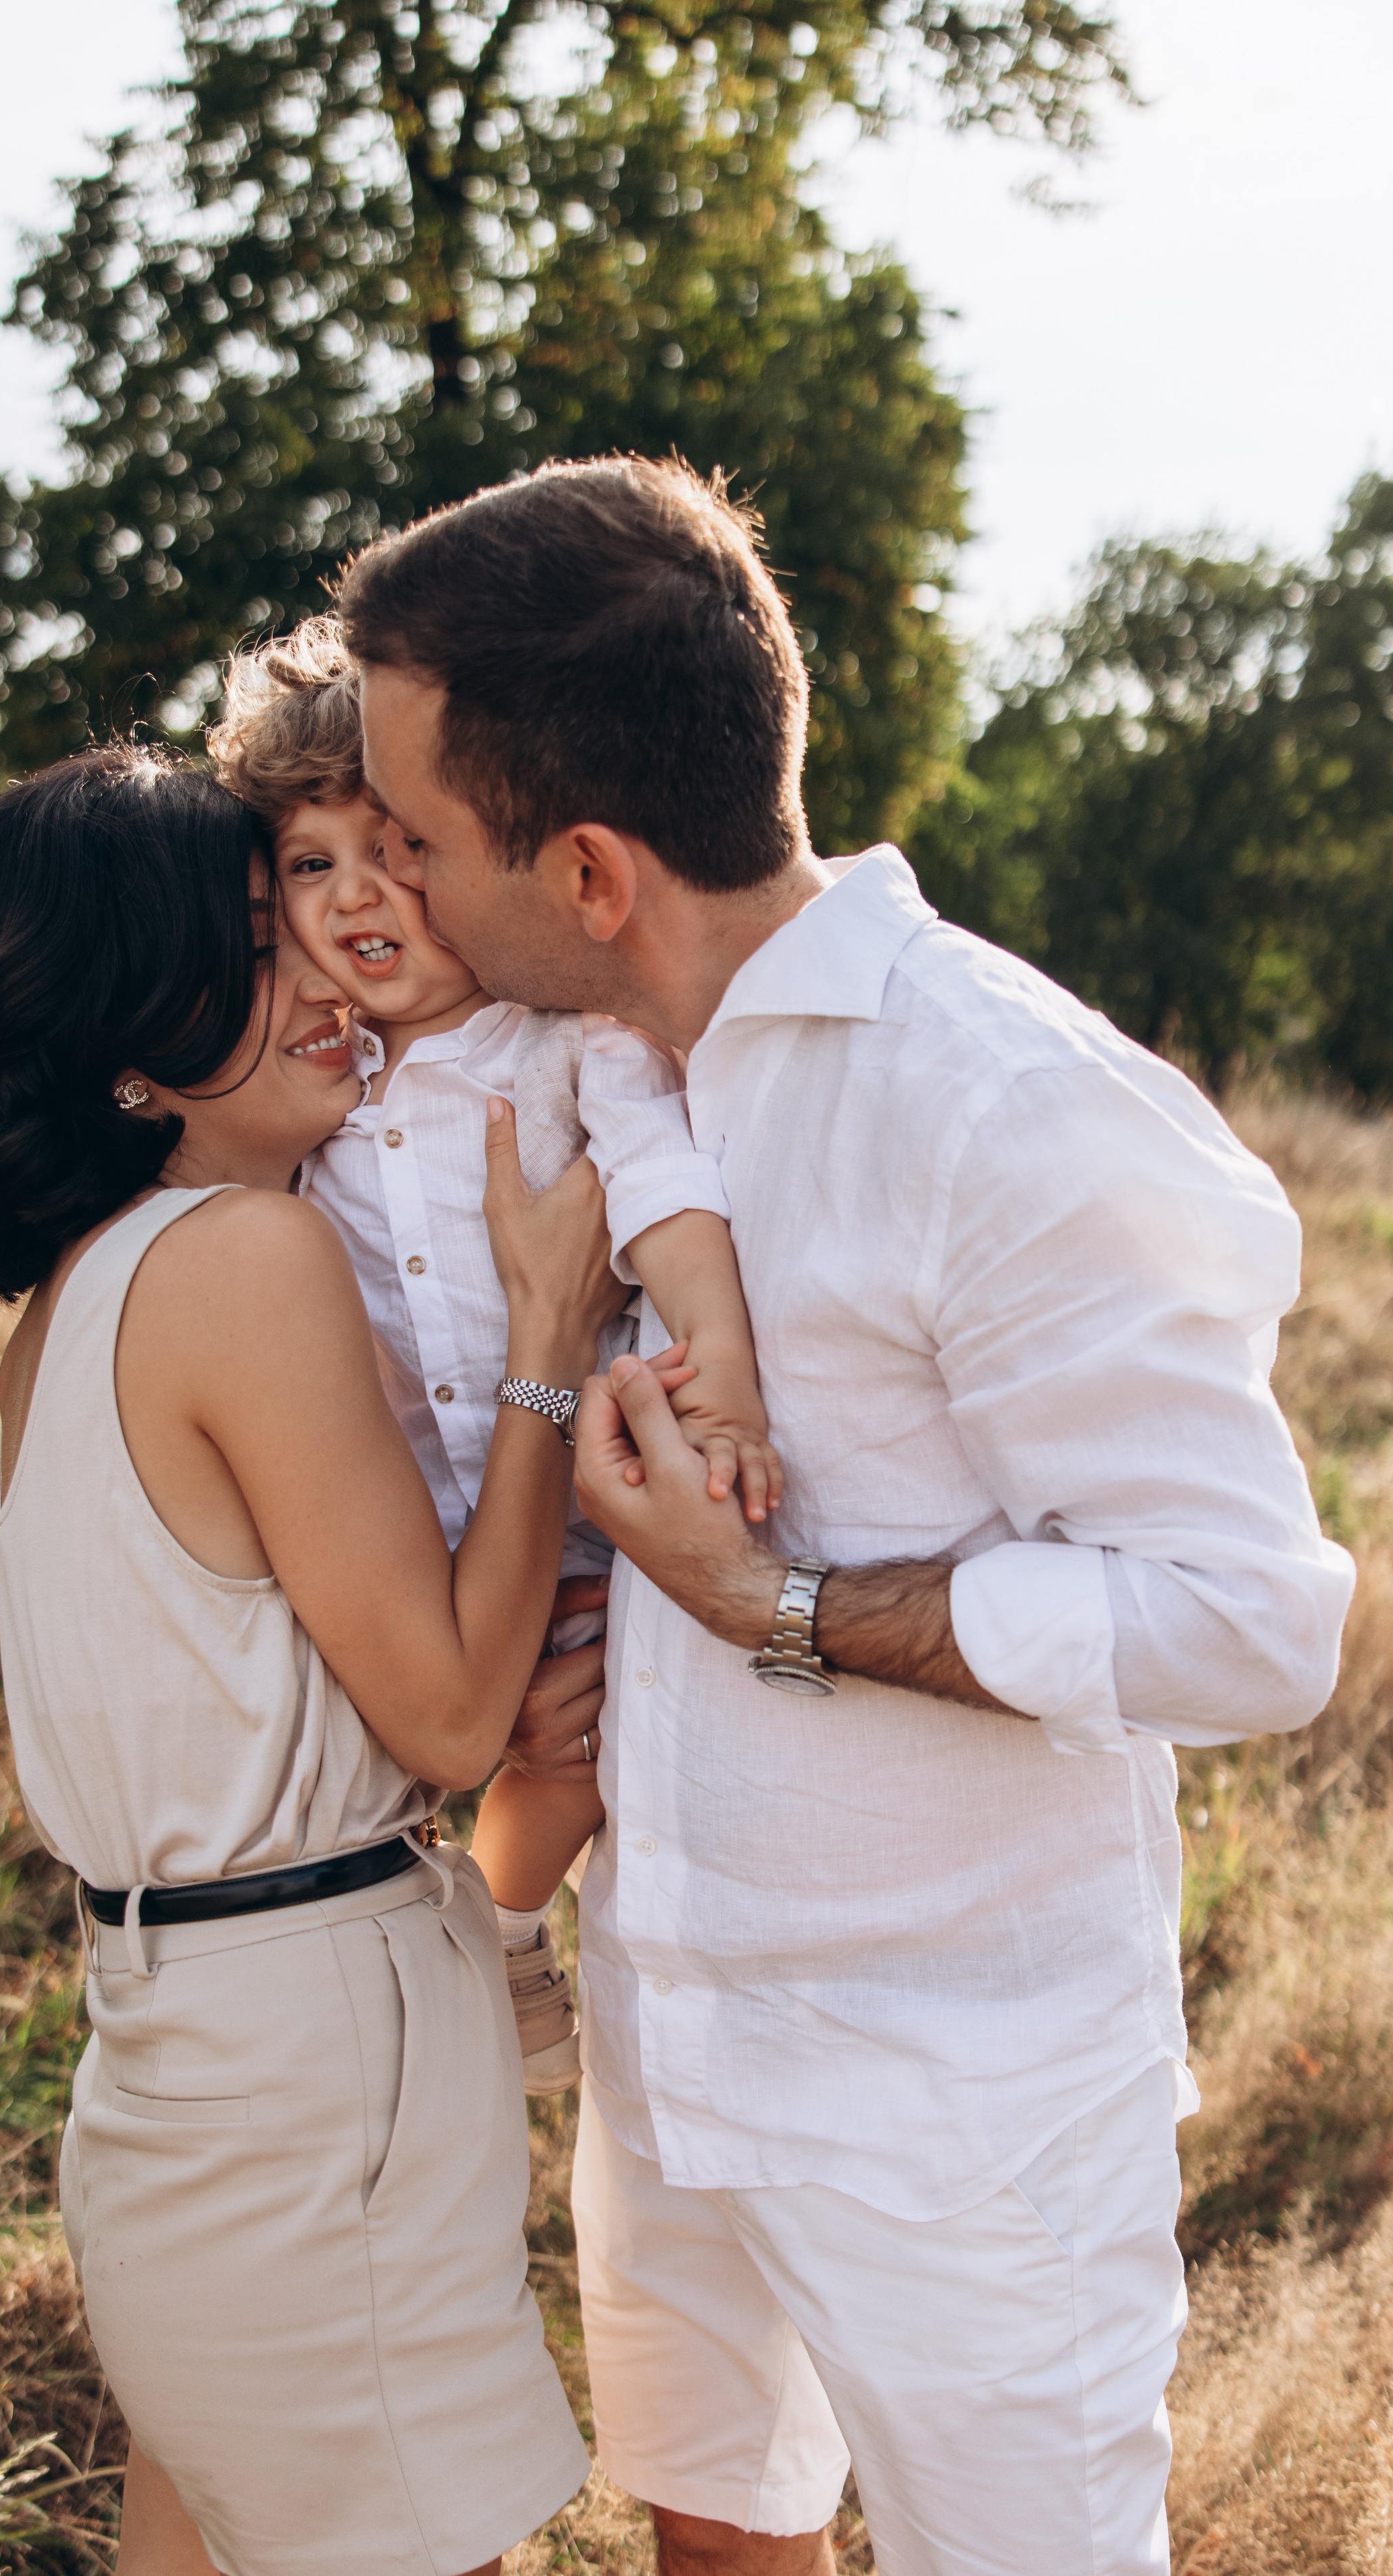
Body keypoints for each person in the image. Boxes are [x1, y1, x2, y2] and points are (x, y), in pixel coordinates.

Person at [336, 457, 1357, 2576]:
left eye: (423, 840)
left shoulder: (1002, 1104)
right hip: (668, 2028)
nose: (403, 893)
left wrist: (777, 1601)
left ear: (595, 867)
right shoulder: (593, 1066)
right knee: (713, 2535)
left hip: (956, 2105)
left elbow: (1252, 1621)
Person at [0, 745, 603, 2576]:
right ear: (130, 1033)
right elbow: (442, 1705)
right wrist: (549, 1345)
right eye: (263, 941)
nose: (334, 973)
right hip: (300, 2076)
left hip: (192, 2058)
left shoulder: (82, 1294)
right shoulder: (242, 1258)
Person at [209, 616, 780, 2091]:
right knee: (492, 1726)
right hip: (431, 1537)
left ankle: (513, 1926)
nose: (358, 894)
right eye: (309, 864)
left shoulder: (562, 1038)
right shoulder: (315, 1085)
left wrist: (714, 1345)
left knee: (585, 1731)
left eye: (392, 846)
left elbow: (657, 1189)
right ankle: (478, 1940)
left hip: (593, 1497)